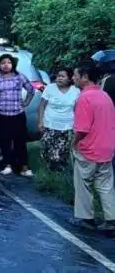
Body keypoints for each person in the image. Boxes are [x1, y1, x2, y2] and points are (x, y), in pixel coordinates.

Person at [70, 61, 115, 230]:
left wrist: (73, 144)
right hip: (107, 148)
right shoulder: (105, 96)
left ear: (85, 77)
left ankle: (86, 218)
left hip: (89, 149)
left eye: (75, 74)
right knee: (106, 186)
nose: (73, 78)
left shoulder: (84, 98)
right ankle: (111, 221)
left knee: (83, 185)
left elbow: (82, 129)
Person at [0, 54, 36, 177]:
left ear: (12, 64)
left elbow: (31, 90)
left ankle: (24, 167)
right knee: (4, 140)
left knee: (20, 141)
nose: (6, 65)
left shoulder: (19, 77)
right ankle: (7, 165)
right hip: (2, 114)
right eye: (3, 63)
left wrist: (26, 102)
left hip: (18, 114)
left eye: (8, 62)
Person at [37, 67, 80, 171]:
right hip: (49, 124)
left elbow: (77, 109)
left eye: (62, 76)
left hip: (67, 126)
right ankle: (49, 171)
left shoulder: (76, 91)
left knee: (61, 152)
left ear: (69, 79)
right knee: (46, 150)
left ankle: (59, 173)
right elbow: (42, 105)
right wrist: (40, 121)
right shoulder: (49, 88)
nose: (59, 78)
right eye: (58, 76)